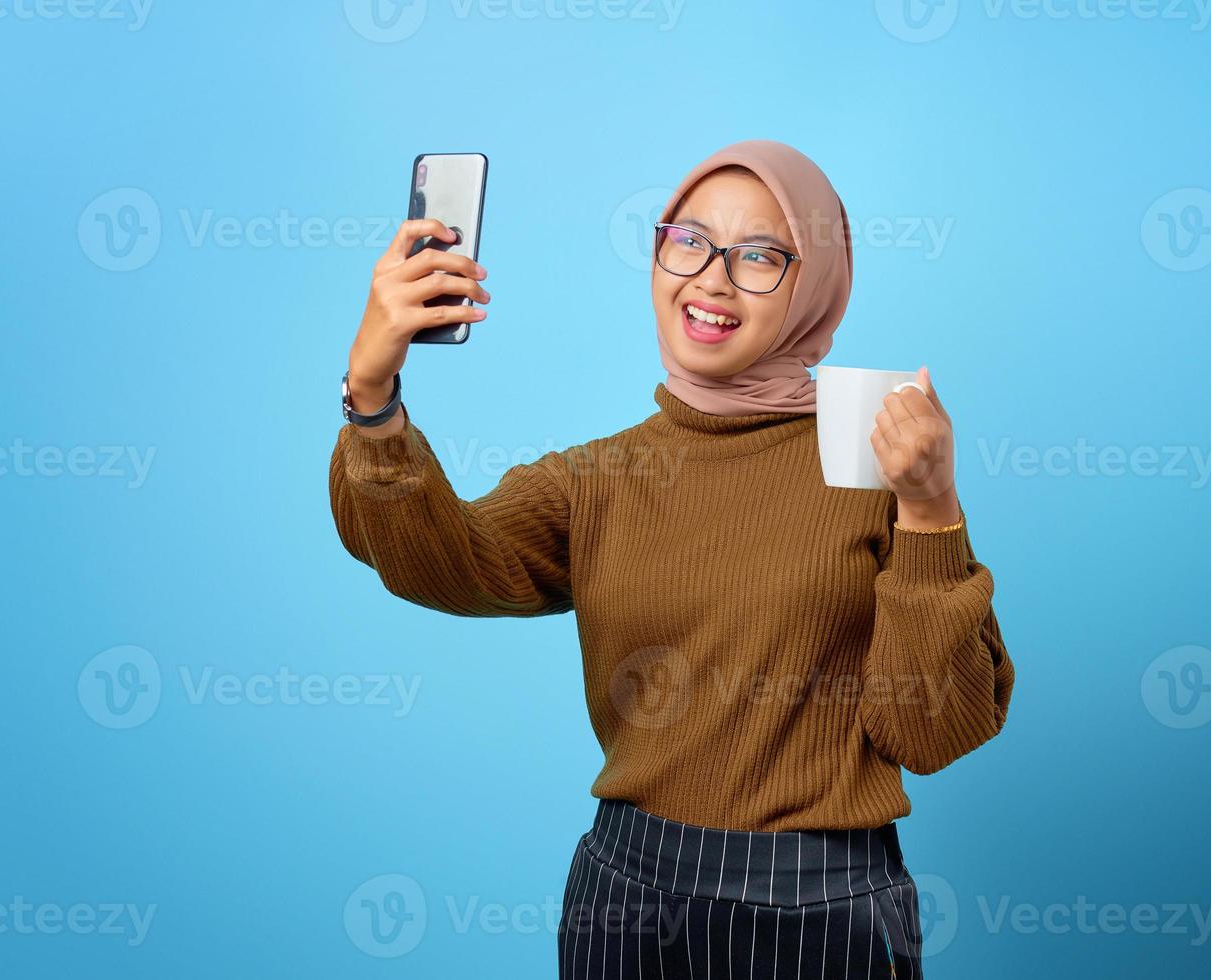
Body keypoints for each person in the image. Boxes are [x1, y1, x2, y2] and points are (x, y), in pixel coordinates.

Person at [329, 139, 1015, 978]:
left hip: (818, 908)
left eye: (759, 255)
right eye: (688, 241)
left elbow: (932, 728)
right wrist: (372, 396)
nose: (712, 280)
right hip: (626, 898)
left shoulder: (876, 455)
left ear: (816, 284)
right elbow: (436, 560)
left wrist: (932, 510)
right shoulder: (601, 477)